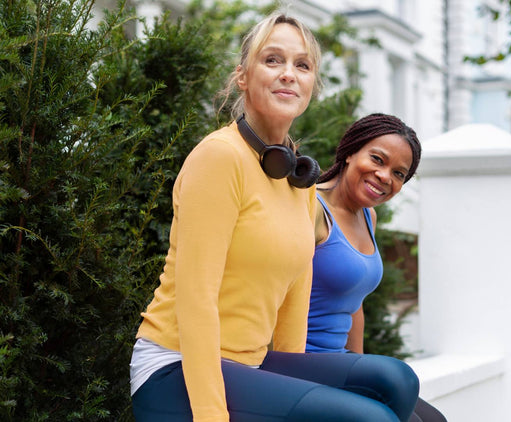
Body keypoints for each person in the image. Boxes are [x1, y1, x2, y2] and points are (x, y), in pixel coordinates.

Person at [129, 13, 419, 422]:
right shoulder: (220, 157)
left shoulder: (297, 177)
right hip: (176, 366)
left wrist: (298, 388)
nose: (288, 74)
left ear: (311, 85)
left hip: (251, 363)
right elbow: (194, 299)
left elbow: (292, 314)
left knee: (397, 381)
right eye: (273, 60)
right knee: (371, 420)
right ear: (243, 76)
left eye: (302, 65)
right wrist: (212, 415)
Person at [307, 113, 447, 422]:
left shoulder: (367, 217)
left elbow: (354, 304)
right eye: (377, 159)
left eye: (399, 173)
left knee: (433, 420)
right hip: (300, 362)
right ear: (349, 152)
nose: (385, 176)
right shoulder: (311, 209)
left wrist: (358, 367)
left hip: (339, 363)